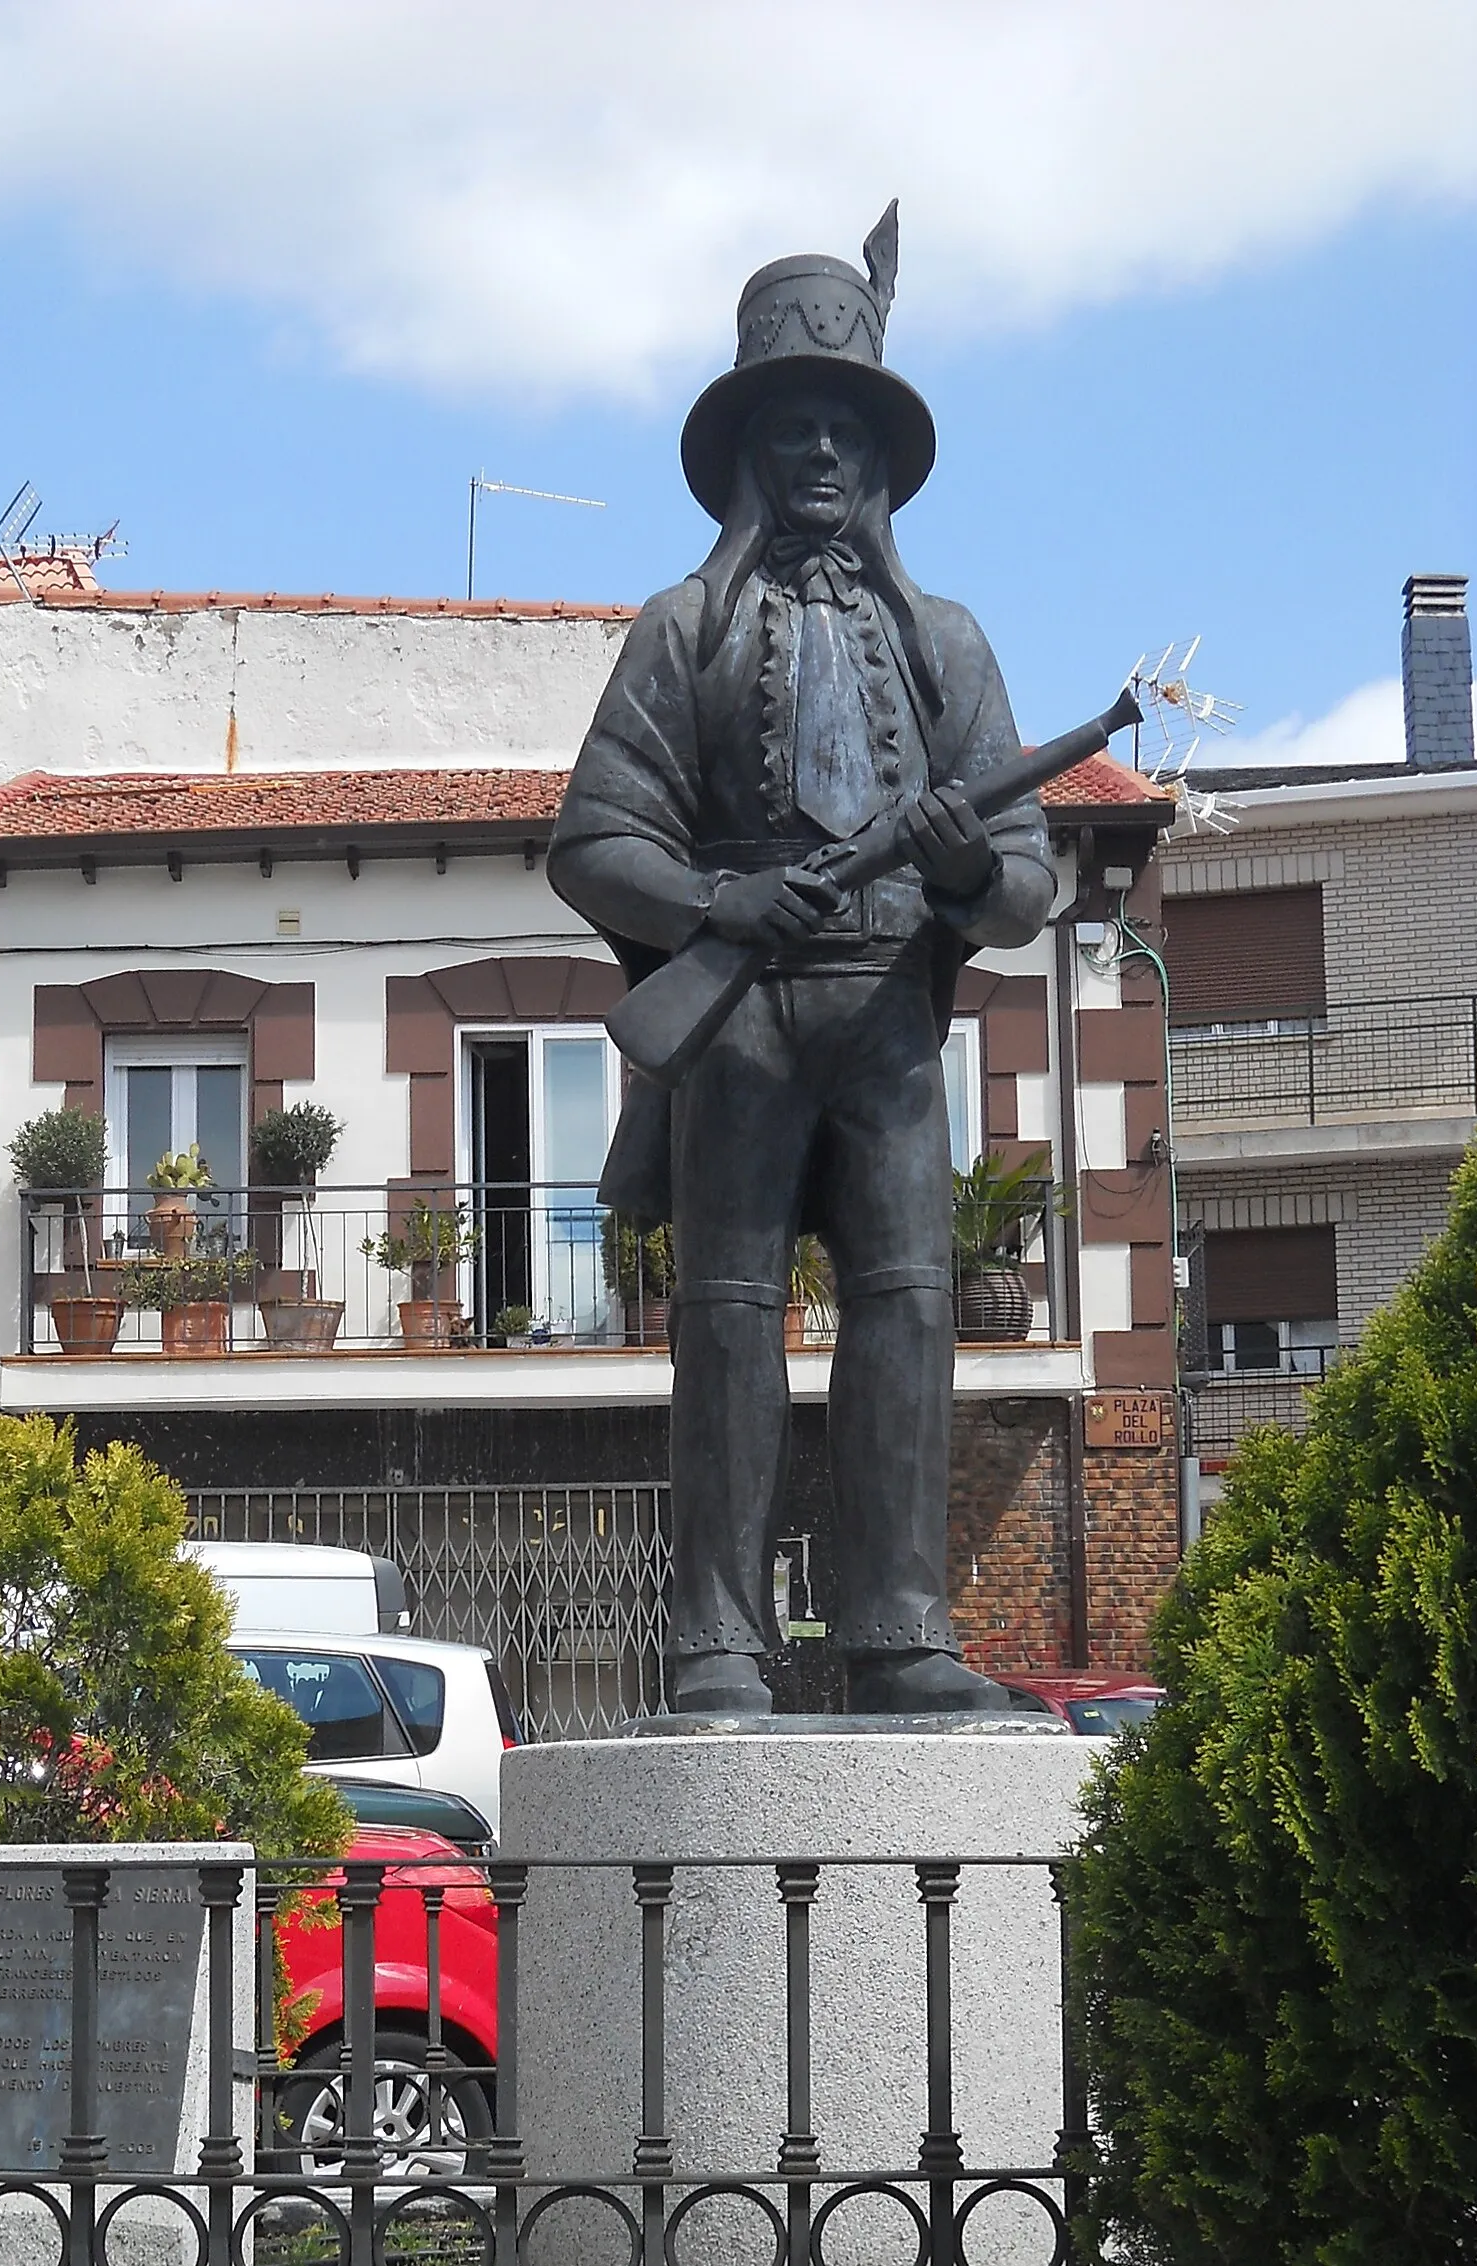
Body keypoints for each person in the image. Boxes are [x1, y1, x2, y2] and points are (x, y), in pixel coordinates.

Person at [548, 206, 1054, 1716]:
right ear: (751, 458)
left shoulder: (949, 645)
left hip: (895, 1020)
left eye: (846, 431)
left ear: (883, 463)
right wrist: (716, 899)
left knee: (907, 1305)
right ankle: (716, 1635)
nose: (821, 456)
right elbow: (591, 839)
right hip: (745, 1021)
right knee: (726, 1318)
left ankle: (898, 1624)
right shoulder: (680, 631)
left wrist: (961, 858)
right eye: (793, 430)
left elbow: (1023, 881)